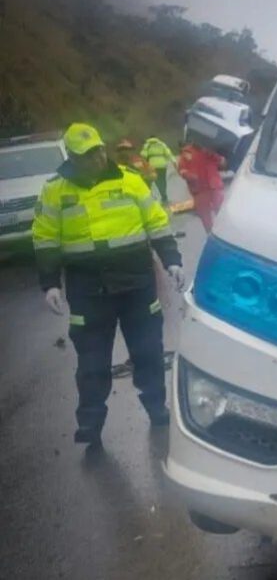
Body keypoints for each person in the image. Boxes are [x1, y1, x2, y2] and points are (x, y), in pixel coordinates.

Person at [32, 123, 185, 446]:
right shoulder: (54, 190)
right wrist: (50, 284)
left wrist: (172, 259)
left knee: (148, 351)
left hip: (136, 284)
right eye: (87, 155)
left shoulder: (130, 180)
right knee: (91, 360)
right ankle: (90, 424)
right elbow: (45, 238)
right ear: (72, 157)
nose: (97, 158)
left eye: (99, 150)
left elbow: (156, 222)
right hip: (88, 289)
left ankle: (157, 408)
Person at [177, 142, 226, 232]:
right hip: (199, 189)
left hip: (214, 186)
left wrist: (215, 155)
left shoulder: (210, 150)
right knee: (205, 216)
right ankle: (211, 234)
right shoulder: (187, 153)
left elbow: (222, 164)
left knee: (222, 211)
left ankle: (225, 232)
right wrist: (190, 176)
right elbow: (182, 170)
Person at [140, 136, 177, 205]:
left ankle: (149, 198)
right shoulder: (162, 144)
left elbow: (143, 155)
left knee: (149, 182)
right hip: (162, 166)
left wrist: (144, 166)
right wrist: (174, 162)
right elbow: (169, 154)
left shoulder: (147, 145)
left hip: (152, 167)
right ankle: (164, 198)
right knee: (162, 182)